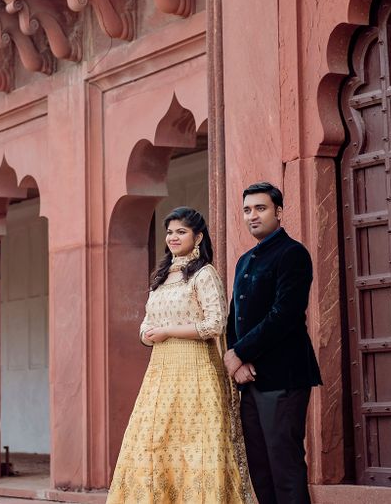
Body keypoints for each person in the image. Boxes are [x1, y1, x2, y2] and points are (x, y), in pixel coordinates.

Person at [108, 206, 251, 503]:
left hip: (196, 371)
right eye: (170, 232)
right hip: (160, 373)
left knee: (195, 445)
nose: (173, 237)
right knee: (152, 443)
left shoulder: (204, 274)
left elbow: (215, 323)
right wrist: (147, 334)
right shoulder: (161, 276)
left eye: (181, 232)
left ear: (197, 237)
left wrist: (168, 330)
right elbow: (147, 321)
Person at [223, 182, 322, 504]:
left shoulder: (292, 253)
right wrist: (236, 360)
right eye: (247, 210)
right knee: (260, 469)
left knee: (284, 465)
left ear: (279, 212)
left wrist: (239, 352)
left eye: (261, 208)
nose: (253, 216)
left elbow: (285, 313)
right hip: (250, 379)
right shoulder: (245, 260)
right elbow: (234, 316)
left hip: (284, 376)